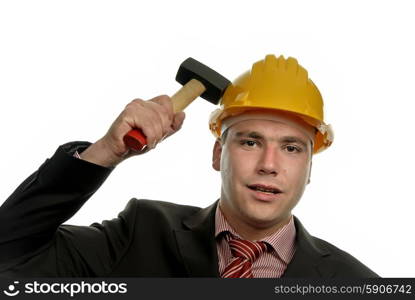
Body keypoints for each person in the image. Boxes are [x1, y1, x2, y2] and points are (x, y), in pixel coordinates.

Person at [0, 55, 378, 278]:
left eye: (292, 148)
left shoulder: (354, 282)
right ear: (218, 154)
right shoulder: (141, 232)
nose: (269, 165)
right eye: (250, 142)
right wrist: (105, 151)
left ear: (309, 169)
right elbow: (10, 255)